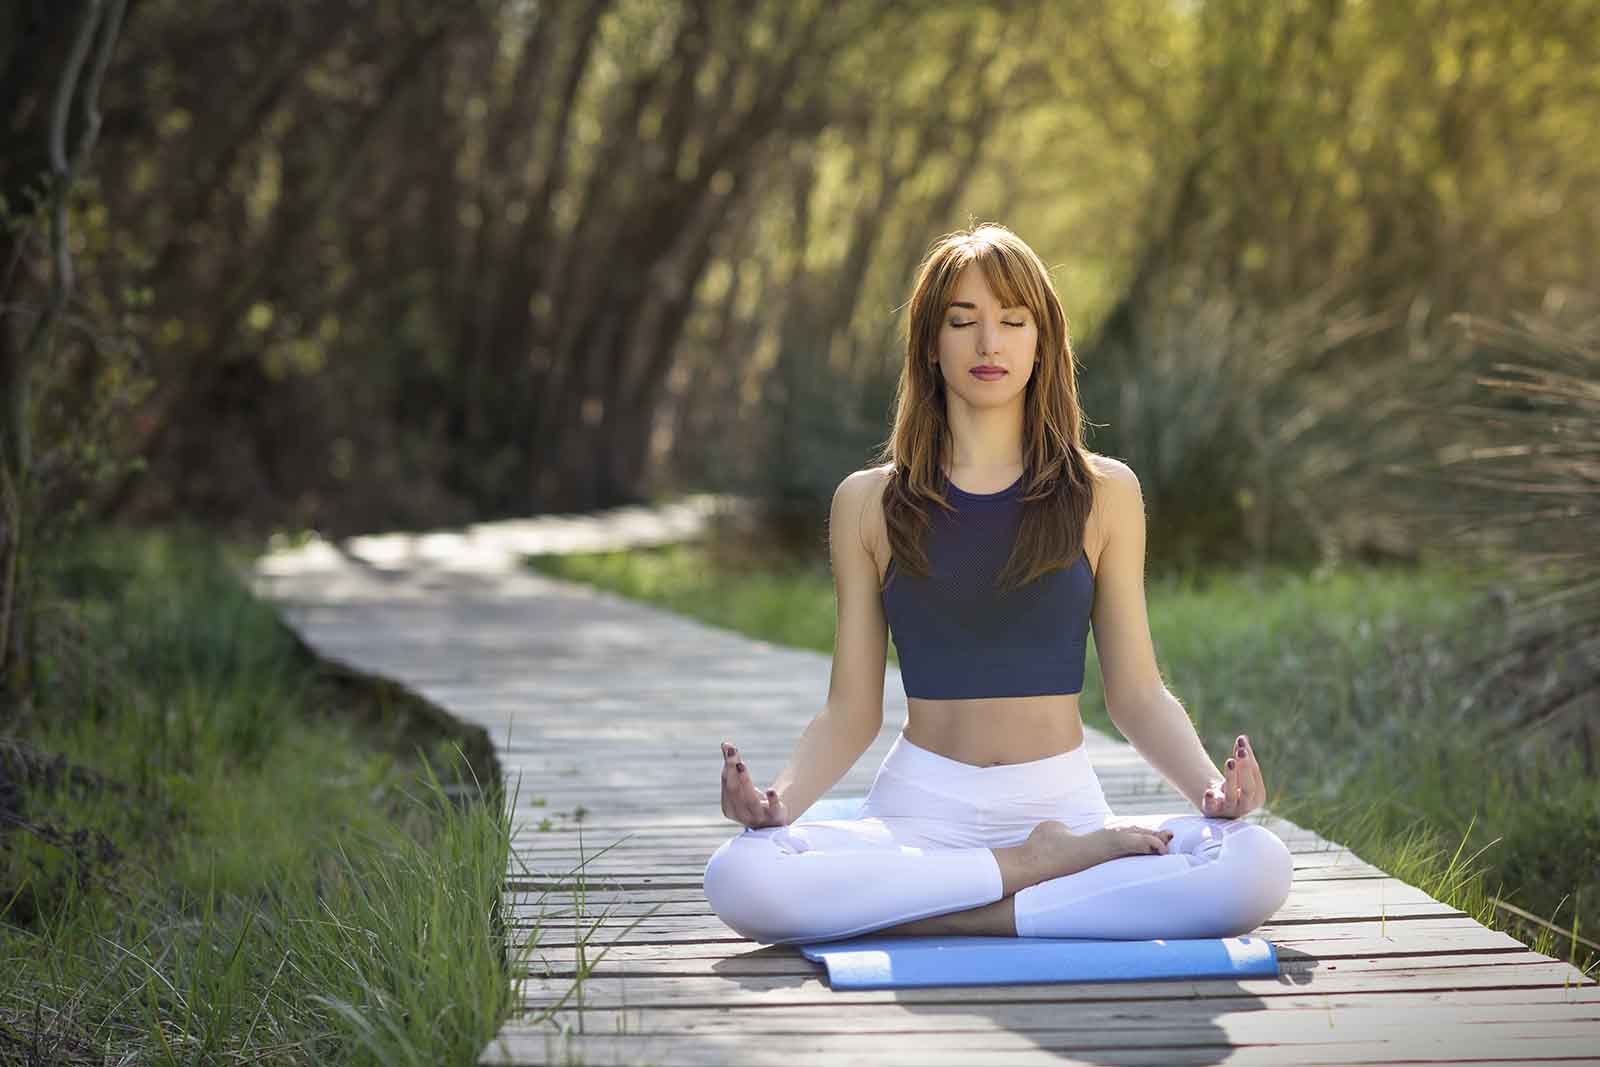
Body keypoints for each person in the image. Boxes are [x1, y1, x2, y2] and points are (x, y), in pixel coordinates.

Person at [703, 223, 1293, 946]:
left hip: (1061, 803)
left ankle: (939, 908)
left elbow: (1135, 694)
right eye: (964, 322)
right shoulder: (866, 501)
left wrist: (1211, 791)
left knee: (1256, 863)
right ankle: (1027, 872)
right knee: (739, 876)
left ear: (1042, 342)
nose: (990, 344)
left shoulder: (1104, 492)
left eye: (1014, 322)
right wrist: (777, 802)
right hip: (922, 809)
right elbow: (851, 711)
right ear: (930, 341)